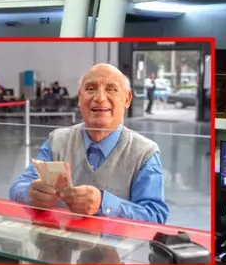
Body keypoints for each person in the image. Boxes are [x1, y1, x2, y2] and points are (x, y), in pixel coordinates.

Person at [9, 63, 168, 224]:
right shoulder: (58, 141)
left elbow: (155, 216)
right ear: (79, 97)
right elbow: (17, 187)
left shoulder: (144, 153)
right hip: (57, 239)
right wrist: (31, 193)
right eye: (91, 89)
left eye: (111, 89)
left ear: (127, 99)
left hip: (116, 241)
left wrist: (104, 204)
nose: (99, 98)